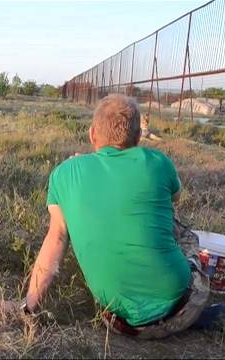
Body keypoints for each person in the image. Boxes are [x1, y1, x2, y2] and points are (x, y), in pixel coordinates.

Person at [19, 94, 211, 339]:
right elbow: (174, 200)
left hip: (119, 323)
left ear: (92, 134)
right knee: (182, 232)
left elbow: (55, 240)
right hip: (182, 309)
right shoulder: (158, 162)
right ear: (139, 137)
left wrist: (29, 307)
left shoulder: (63, 173)